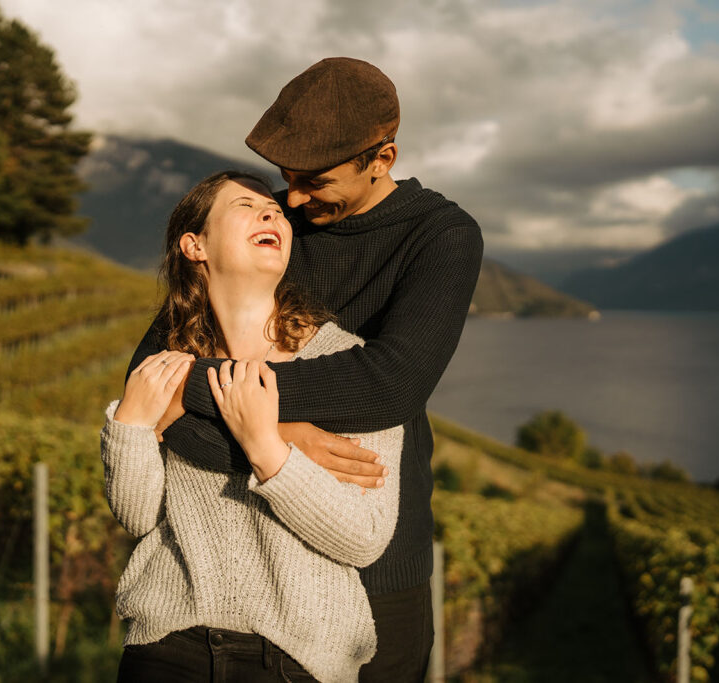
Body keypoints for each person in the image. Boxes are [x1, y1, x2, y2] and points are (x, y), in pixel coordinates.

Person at [129, 57, 484, 679]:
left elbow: (388, 386)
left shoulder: (441, 236)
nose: (290, 199)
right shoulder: (269, 228)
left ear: (383, 158)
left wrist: (206, 395)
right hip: (249, 575)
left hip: (379, 567)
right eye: (284, 178)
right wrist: (267, 436)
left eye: (313, 182)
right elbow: (146, 376)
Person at [103, 170, 404, 682]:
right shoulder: (168, 368)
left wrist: (269, 449)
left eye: (276, 212)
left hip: (298, 660)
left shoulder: (347, 366)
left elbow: (364, 539)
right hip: (168, 645)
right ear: (195, 245)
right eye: (245, 206)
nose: (272, 213)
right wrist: (130, 425)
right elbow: (138, 517)